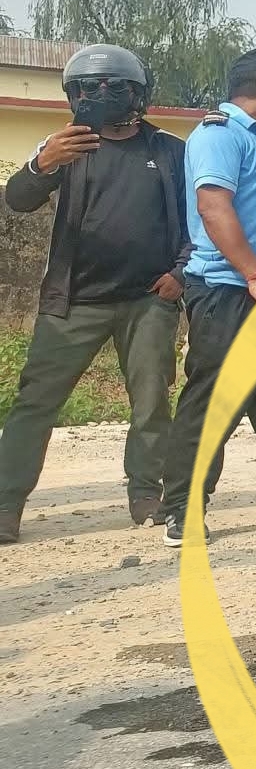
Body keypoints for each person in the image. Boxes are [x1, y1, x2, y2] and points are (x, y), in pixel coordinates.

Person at [0, 45, 188, 543]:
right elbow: (17, 201)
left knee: (151, 400)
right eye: (87, 86)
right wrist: (42, 164)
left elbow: (196, 220)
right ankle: (5, 505)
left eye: (114, 85)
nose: (100, 94)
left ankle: (146, 495)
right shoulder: (65, 145)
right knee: (36, 402)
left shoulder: (169, 150)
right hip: (73, 300)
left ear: (138, 94)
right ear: (72, 94)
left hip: (148, 300)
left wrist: (181, 274)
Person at [156, 49, 256, 548]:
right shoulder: (219, 134)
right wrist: (255, 274)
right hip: (232, 290)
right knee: (215, 400)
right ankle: (183, 509)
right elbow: (212, 208)